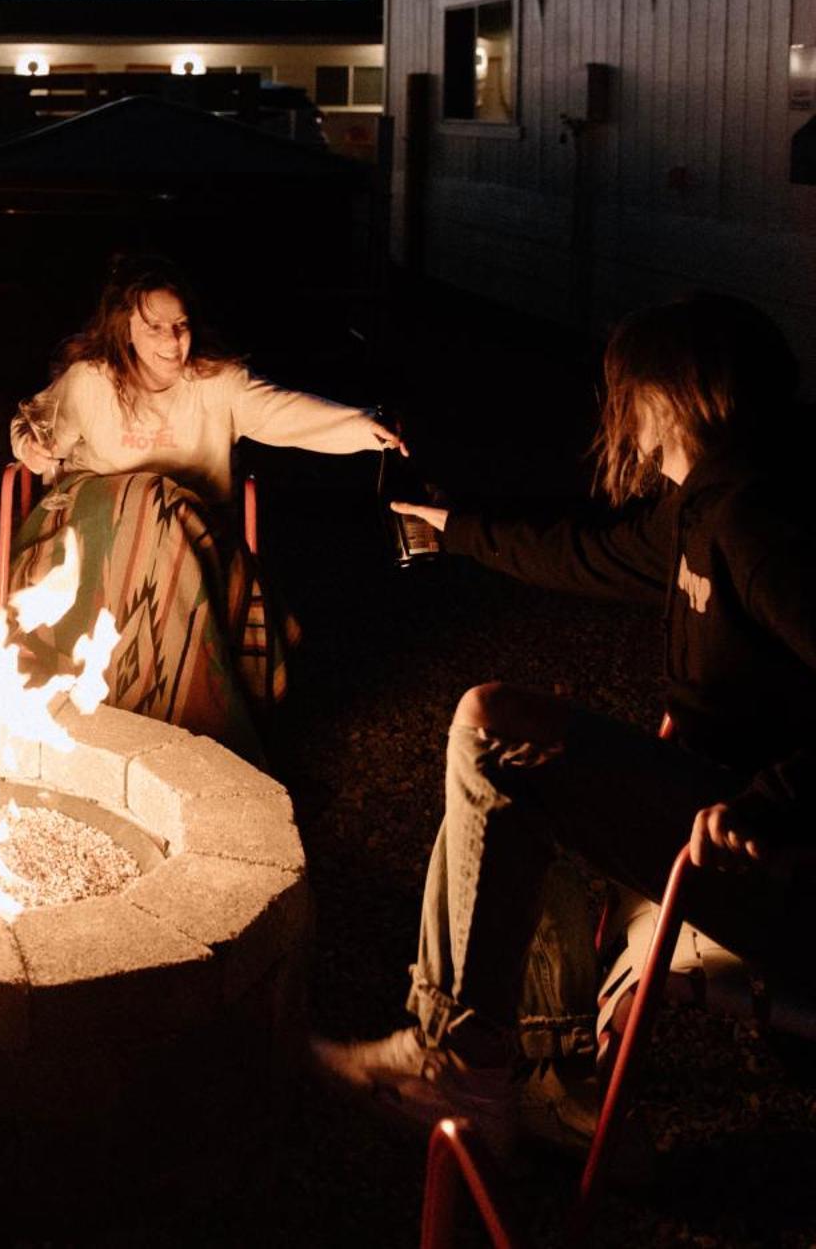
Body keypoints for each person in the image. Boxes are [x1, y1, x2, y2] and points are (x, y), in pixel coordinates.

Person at [311, 294, 815, 1159]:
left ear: (674, 395)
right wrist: (454, 529)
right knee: (508, 766)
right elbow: (586, 549)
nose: (622, 414)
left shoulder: (757, 522)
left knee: (494, 726)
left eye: (631, 393)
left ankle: (464, 1058)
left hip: (772, 860)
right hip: (722, 816)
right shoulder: (701, 507)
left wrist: (775, 799)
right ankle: (530, 1067)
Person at [7, 256, 399, 761]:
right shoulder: (91, 382)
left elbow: (286, 412)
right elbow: (32, 427)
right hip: (89, 535)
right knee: (148, 496)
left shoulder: (218, 384)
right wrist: (31, 450)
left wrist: (364, 429)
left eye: (180, 326)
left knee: (162, 507)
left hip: (189, 539)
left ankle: (185, 729)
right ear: (127, 327)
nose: (172, 342)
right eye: (155, 328)